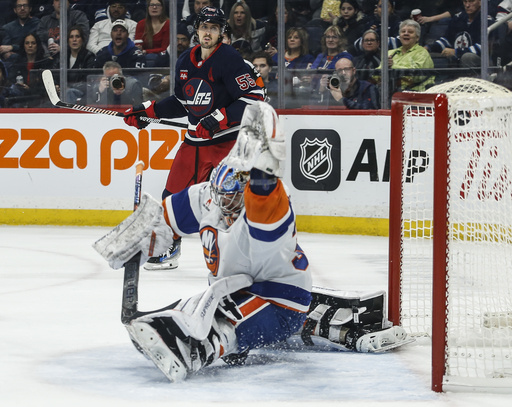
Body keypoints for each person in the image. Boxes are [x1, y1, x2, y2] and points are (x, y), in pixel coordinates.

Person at [93, 101, 411, 382]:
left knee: (219, 324)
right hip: (234, 290)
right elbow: (165, 219)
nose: (229, 205)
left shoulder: (268, 209)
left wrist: (262, 163)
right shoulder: (207, 198)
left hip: (280, 300)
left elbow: (262, 192)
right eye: (223, 198)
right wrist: (135, 237)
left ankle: (196, 350)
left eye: (236, 196)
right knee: (184, 312)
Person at [122, 6, 264, 270]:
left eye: (213, 27)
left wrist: (219, 118)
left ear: (221, 32)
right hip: (194, 143)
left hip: (226, 144)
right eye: (204, 27)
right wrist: (148, 112)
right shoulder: (186, 60)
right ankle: (167, 249)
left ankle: (242, 255)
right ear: (197, 30)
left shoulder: (230, 59)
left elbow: (254, 99)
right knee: (171, 197)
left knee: (229, 201)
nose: (207, 32)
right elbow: (182, 102)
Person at [426, 0, 493, 69]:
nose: (467, 5)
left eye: (471, 1)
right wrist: (428, 48)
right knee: (427, 54)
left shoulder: (487, 20)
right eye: (465, 1)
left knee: (467, 57)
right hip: (457, 59)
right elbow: (447, 40)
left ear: (480, 2)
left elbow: (482, 48)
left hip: (480, 63)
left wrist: (456, 52)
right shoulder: (458, 18)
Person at [385, 19, 434, 91]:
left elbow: (417, 76)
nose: (406, 33)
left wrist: (393, 66)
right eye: (403, 31)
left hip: (415, 94)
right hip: (389, 92)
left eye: (410, 32)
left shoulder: (422, 53)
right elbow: (377, 75)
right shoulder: (390, 53)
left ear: (417, 38)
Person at [7, 32, 53, 107]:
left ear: (37, 45)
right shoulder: (18, 62)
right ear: (23, 45)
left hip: (38, 99)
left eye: (33, 43)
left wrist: (30, 89)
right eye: (27, 43)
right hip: (20, 98)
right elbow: (10, 79)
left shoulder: (45, 63)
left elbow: (46, 87)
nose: (30, 46)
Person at [62, 25, 95, 103]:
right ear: (68, 40)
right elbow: (56, 75)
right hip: (64, 90)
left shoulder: (89, 56)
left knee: (69, 93)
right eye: (71, 37)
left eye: (77, 37)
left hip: (82, 92)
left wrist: (68, 87)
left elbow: (87, 81)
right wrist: (57, 86)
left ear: (82, 40)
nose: (74, 40)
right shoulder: (62, 56)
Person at [134, 0, 169, 65]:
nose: (154, 7)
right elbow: (138, 46)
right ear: (148, 8)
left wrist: (146, 51)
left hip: (163, 57)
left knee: (151, 57)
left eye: (158, 5)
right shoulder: (141, 24)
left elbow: (165, 48)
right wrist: (141, 50)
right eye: (152, 5)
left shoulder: (168, 24)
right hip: (143, 56)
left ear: (162, 8)